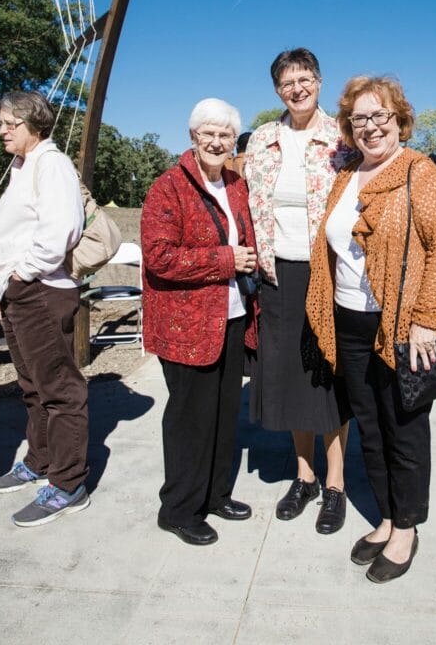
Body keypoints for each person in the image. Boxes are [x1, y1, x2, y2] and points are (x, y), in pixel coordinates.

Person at [306, 75, 436, 582]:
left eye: (381, 116)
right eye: (360, 119)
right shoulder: (346, 173)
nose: (371, 127)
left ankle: (407, 529)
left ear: (399, 120)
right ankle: (388, 517)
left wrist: (425, 320)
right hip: (349, 319)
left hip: (400, 323)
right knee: (370, 427)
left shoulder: (420, 172)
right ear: (349, 127)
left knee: (404, 427)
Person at [142, 97, 259, 546]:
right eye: (207, 133)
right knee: (191, 418)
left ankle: (213, 495)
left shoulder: (235, 184)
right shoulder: (168, 187)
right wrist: (226, 259)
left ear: (234, 140)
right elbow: (159, 257)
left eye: (225, 134)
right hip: (185, 325)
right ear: (192, 136)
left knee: (225, 414)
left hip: (230, 318)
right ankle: (178, 508)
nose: (216, 141)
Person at [245, 47, 352, 534]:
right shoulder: (263, 138)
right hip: (277, 274)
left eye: (305, 78)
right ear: (277, 91)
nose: (297, 88)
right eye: (288, 82)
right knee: (290, 376)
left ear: (320, 81)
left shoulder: (341, 137)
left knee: (328, 376)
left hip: (326, 271)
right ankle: (304, 476)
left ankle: (335, 484)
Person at [0, 91, 88, 526]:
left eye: (10, 123)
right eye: (0, 122)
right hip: (17, 294)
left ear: (34, 124)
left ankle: (68, 484)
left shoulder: (51, 163)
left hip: (38, 291)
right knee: (32, 386)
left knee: (60, 390)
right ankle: (39, 461)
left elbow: (62, 227)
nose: (1, 130)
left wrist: (22, 275)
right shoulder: (23, 165)